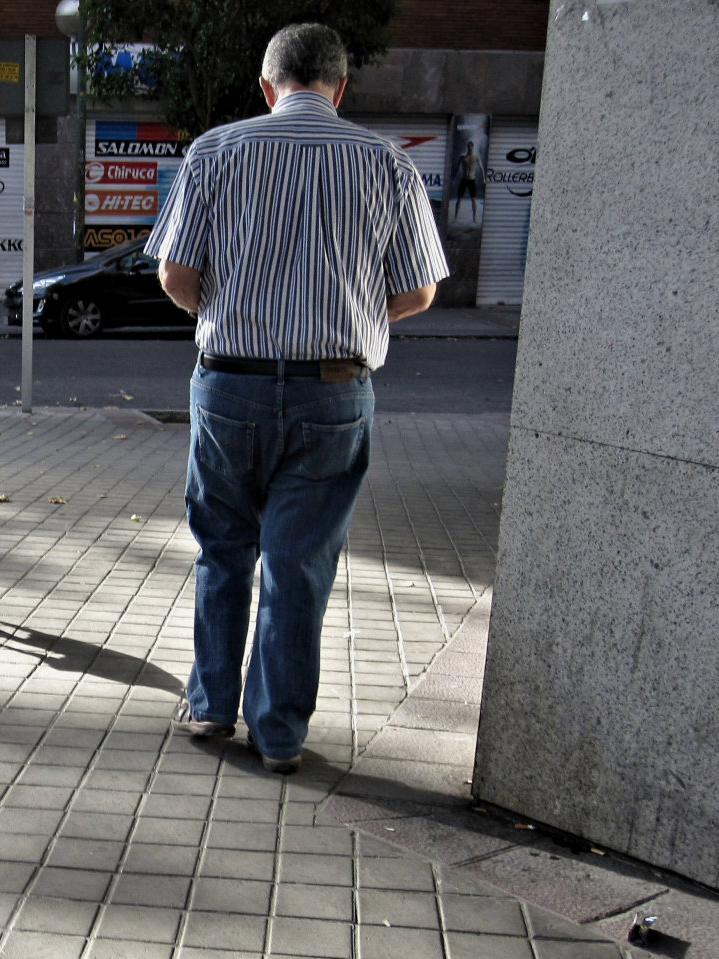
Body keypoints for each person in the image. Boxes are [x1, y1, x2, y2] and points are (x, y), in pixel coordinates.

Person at [146, 22, 448, 773]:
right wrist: (352, 310)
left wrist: (233, 313)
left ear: (266, 83)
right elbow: (417, 290)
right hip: (334, 392)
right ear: (341, 89)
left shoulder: (215, 151)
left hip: (229, 385)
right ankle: (278, 736)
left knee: (223, 548)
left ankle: (211, 706)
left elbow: (175, 278)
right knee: (298, 565)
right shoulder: (388, 164)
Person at [453, 140, 487, 224]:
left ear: (473, 147)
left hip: (472, 180)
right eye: (468, 146)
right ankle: (455, 217)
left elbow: (482, 168)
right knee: (459, 199)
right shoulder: (463, 157)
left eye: (471, 146)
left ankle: (474, 218)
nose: (470, 148)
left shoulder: (476, 157)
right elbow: (457, 168)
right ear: (467, 147)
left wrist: (484, 179)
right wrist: (453, 178)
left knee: (473, 200)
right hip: (464, 180)